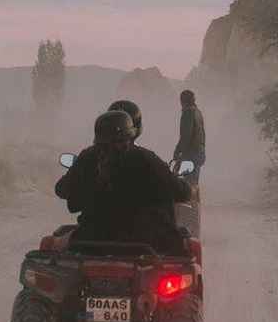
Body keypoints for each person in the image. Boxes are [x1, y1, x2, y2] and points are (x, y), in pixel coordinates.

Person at [55, 109, 191, 255]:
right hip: (148, 244)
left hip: (92, 242)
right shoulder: (146, 159)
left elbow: (61, 189)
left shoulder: (88, 157)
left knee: (54, 246)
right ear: (130, 136)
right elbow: (182, 192)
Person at [172, 89, 206, 183]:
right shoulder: (198, 112)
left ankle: (189, 197)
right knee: (194, 183)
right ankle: (195, 197)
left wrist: (177, 151)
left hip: (191, 154)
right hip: (199, 153)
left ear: (183, 101)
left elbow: (186, 136)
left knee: (186, 184)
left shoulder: (188, 112)